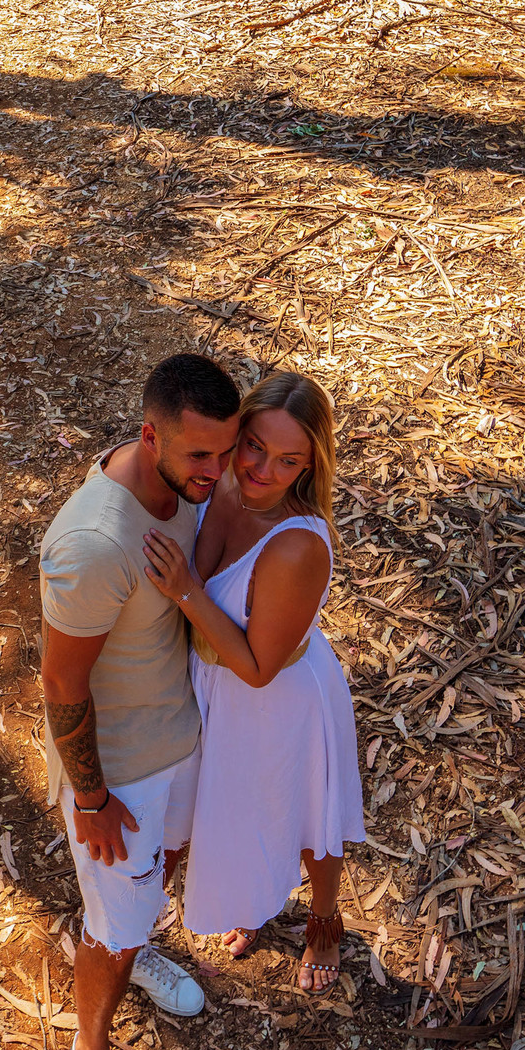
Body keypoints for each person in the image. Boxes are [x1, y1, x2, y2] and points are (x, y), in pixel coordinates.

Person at [39, 353, 241, 1050]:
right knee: (111, 928)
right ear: (149, 433)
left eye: (226, 453)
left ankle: (142, 943)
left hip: (185, 737)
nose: (218, 473)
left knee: (162, 877)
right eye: (201, 456)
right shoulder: (94, 543)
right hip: (119, 770)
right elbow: (61, 681)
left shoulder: (188, 488)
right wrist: (90, 797)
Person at [142, 369, 365, 990]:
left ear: (309, 466)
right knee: (244, 812)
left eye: (288, 460)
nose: (263, 470)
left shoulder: (298, 547)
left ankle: (325, 924)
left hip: (279, 700)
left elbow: (260, 668)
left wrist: (184, 589)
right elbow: (207, 561)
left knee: (304, 817)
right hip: (217, 687)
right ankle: (257, 902)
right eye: (254, 446)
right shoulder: (225, 489)